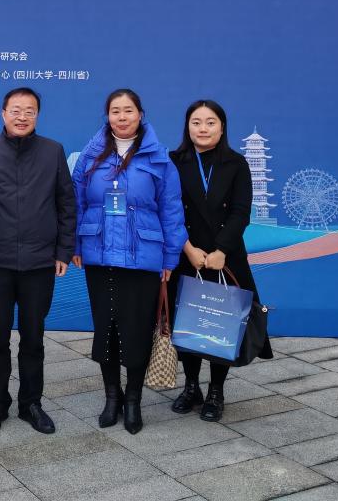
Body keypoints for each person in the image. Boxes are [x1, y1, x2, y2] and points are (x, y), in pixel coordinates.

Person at [0, 88, 75, 435]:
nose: (22, 117)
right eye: (16, 110)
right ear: (3, 113)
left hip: (39, 264)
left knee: (33, 338)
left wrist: (63, 251)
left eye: (29, 111)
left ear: (37, 115)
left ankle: (31, 403)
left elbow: (66, 204)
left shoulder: (53, 151)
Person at [71, 88, 187, 435]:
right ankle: (112, 397)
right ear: (107, 116)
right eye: (115, 111)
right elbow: (75, 203)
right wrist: (75, 243)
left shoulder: (159, 159)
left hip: (143, 258)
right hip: (99, 254)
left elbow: (172, 211)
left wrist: (170, 257)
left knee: (136, 331)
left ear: (140, 114)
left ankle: (134, 400)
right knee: (105, 329)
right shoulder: (90, 156)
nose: (121, 117)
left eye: (128, 110)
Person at [167, 99, 273, 422]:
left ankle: (216, 390)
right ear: (187, 126)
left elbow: (241, 212)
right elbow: (168, 209)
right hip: (186, 255)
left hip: (225, 258)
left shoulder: (236, 163)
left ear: (222, 127)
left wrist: (221, 250)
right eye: (196, 122)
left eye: (210, 122)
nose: (203, 128)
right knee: (187, 323)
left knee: (221, 325)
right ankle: (190, 387)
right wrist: (188, 248)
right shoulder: (173, 161)